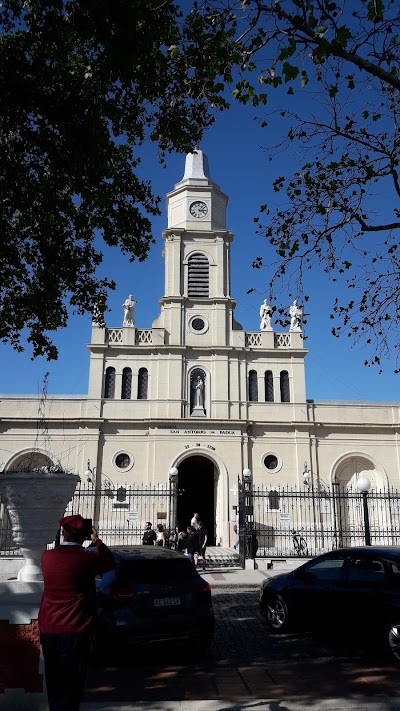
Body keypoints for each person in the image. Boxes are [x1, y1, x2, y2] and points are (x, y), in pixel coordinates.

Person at [38, 514, 115, 711]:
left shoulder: (47, 557)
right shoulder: (87, 558)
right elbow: (110, 561)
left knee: (54, 683)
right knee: (72, 685)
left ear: (63, 532)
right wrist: (96, 540)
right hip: (75, 629)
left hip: (49, 629)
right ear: (84, 536)